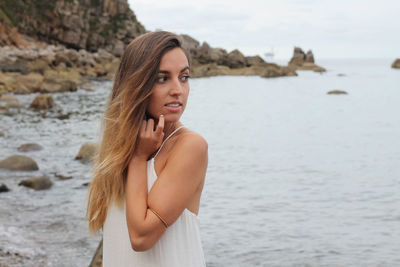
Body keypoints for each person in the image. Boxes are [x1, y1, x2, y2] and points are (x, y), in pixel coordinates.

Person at [86, 31, 208, 267]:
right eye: (162, 78)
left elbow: (141, 237)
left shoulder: (189, 146)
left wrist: (139, 159)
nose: (178, 90)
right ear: (137, 84)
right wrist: (138, 153)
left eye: (184, 77)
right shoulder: (120, 148)